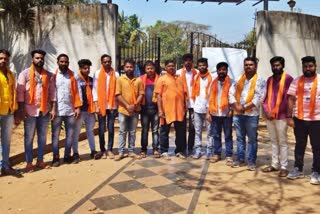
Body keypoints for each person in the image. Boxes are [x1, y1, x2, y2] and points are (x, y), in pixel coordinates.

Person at [17, 49, 56, 172]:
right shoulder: (25, 74)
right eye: (37, 58)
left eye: (41, 58)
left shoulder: (49, 75)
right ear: (32, 59)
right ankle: (29, 163)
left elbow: (52, 93)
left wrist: (53, 109)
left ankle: (40, 161)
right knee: (29, 137)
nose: (40, 60)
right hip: (29, 111)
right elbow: (20, 93)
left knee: (42, 137)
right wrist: (22, 110)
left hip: (44, 111)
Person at [286, 56, 320, 185]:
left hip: (317, 119)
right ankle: (298, 168)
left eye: (310, 66)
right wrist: (289, 117)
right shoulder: (296, 81)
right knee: (300, 144)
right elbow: (290, 99)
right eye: (305, 66)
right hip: (299, 119)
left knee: (317, 146)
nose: (308, 68)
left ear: (315, 66)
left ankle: (316, 171)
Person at [229, 57, 266, 170]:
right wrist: (236, 105)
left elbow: (259, 98)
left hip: (251, 115)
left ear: (255, 66)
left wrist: (244, 107)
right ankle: (240, 159)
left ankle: (251, 161)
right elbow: (230, 93)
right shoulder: (239, 78)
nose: (248, 67)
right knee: (240, 138)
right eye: (246, 65)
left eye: (251, 65)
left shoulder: (260, 80)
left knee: (252, 139)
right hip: (238, 114)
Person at [262, 56, 293, 177]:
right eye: (274, 65)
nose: (275, 67)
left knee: (283, 141)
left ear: (282, 66)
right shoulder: (269, 80)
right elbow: (264, 98)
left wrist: (288, 115)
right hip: (270, 116)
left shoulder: (288, 79)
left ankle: (284, 166)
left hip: (282, 115)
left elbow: (290, 98)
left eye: (278, 65)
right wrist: (267, 111)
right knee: (274, 141)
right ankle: (274, 164)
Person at [51, 54, 82, 167]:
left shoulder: (73, 76)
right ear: (57, 62)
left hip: (70, 110)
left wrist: (78, 107)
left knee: (69, 135)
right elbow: (51, 94)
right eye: (62, 61)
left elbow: (78, 92)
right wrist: (52, 109)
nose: (64, 64)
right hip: (57, 111)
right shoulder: (53, 76)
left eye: (66, 62)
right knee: (55, 135)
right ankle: (55, 157)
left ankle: (67, 156)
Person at [155, 59, 187, 160]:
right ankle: (164, 151)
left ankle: (179, 151)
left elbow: (185, 93)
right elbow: (158, 96)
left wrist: (185, 106)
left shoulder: (180, 78)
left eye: (173, 66)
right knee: (164, 131)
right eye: (169, 66)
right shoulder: (162, 79)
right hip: (166, 110)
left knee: (180, 132)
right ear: (165, 67)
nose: (171, 67)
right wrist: (160, 110)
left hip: (179, 110)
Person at [115, 58, 144, 161]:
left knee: (132, 131)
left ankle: (131, 151)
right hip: (123, 110)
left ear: (134, 68)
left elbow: (141, 94)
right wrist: (127, 106)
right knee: (122, 131)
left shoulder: (139, 80)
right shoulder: (120, 79)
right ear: (124, 68)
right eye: (127, 67)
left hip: (135, 110)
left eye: (131, 67)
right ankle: (121, 152)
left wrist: (135, 105)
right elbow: (118, 94)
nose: (129, 69)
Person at [206, 62, 234, 165]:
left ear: (227, 70)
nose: (222, 71)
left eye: (224, 69)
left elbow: (233, 97)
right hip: (214, 113)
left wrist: (231, 109)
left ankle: (229, 155)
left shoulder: (231, 82)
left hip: (226, 113)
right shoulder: (213, 83)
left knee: (228, 135)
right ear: (217, 71)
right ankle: (217, 153)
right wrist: (208, 112)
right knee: (216, 135)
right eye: (220, 70)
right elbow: (208, 98)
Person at [92, 54, 119, 159]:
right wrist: (96, 104)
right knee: (101, 129)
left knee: (111, 128)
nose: (107, 63)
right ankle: (102, 150)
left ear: (111, 62)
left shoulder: (115, 74)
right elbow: (94, 89)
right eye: (105, 62)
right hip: (101, 105)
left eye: (108, 61)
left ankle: (109, 149)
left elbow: (117, 89)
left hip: (112, 105)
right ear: (102, 63)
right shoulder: (97, 73)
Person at [72, 59, 97, 163]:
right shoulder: (75, 80)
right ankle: (76, 153)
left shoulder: (91, 80)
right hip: (80, 110)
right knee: (76, 132)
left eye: (88, 68)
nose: (87, 70)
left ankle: (93, 151)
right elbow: (73, 95)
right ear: (80, 68)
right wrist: (76, 108)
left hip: (90, 110)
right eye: (85, 68)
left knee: (90, 131)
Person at [0, 49, 19, 176]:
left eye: (5, 59)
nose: (3, 61)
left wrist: (15, 111)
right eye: (1, 58)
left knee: (6, 140)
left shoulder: (11, 74)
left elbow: (13, 93)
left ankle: (5, 166)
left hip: (8, 111)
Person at [191, 58, 213, 159]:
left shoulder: (212, 77)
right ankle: (198, 150)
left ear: (207, 65)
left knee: (210, 132)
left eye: (203, 65)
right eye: (200, 65)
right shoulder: (196, 77)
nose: (202, 67)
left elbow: (213, 94)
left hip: (209, 109)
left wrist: (209, 110)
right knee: (197, 131)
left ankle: (209, 151)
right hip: (197, 109)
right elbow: (193, 93)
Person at [176, 53, 197, 155]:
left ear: (192, 61)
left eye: (190, 60)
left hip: (194, 103)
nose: (188, 62)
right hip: (182, 103)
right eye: (186, 60)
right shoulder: (178, 73)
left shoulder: (196, 73)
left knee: (193, 127)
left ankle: (191, 147)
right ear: (183, 62)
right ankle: (182, 148)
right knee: (181, 126)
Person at [140, 61, 160, 158]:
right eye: (148, 68)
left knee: (155, 130)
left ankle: (155, 148)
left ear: (154, 69)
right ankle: (143, 149)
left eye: (151, 68)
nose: (150, 70)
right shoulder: (140, 79)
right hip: (144, 109)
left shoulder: (159, 79)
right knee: (144, 130)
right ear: (145, 70)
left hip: (156, 109)